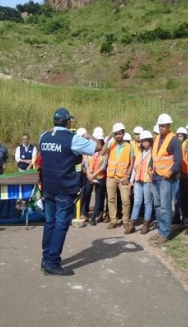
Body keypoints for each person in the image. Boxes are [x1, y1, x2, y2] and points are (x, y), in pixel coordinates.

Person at [40, 107, 97, 276]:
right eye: (70, 120)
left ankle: (45, 259)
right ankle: (52, 262)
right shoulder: (73, 139)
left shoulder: (44, 136)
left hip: (49, 188)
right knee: (60, 225)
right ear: (67, 122)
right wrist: (88, 136)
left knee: (50, 223)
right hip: (64, 190)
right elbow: (97, 147)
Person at [150, 113, 183, 245]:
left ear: (169, 126)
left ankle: (165, 232)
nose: (161, 128)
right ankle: (160, 229)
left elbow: (178, 161)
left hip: (166, 178)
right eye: (160, 126)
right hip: (156, 176)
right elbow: (155, 155)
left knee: (165, 206)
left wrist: (170, 172)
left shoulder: (174, 140)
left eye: (163, 126)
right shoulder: (157, 138)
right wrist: (151, 166)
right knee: (157, 205)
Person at [102, 122, 134, 233]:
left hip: (122, 178)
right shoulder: (111, 145)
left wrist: (127, 176)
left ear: (123, 133)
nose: (117, 136)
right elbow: (102, 153)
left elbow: (131, 163)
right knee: (111, 200)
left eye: (119, 134)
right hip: (111, 176)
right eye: (115, 134)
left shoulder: (129, 147)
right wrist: (108, 139)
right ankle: (113, 220)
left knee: (126, 200)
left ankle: (126, 221)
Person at [127, 130, 154, 234]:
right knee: (137, 202)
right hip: (138, 181)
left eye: (146, 141)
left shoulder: (153, 153)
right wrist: (131, 181)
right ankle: (132, 224)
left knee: (147, 203)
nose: (144, 143)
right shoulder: (140, 153)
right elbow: (135, 168)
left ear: (150, 141)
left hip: (148, 181)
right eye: (143, 141)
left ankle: (146, 224)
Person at [86, 127, 108, 226]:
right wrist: (88, 174)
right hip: (90, 177)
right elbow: (86, 162)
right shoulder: (90, 148)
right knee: (86, 194)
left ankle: (94, 217)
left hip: (100, 178)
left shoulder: (104, 151)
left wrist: (93, 175)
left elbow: (103, 166)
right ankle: (85, 212)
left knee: (99, 198)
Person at [172, 127, 188, 229]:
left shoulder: (186, 144)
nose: (179, 136)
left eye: (181, 135)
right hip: (180, 174)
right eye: (178, 134)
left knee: (186, 199)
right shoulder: (177, 145)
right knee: (178, 198)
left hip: (187, 174)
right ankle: (180, 217)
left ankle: (187, 220)